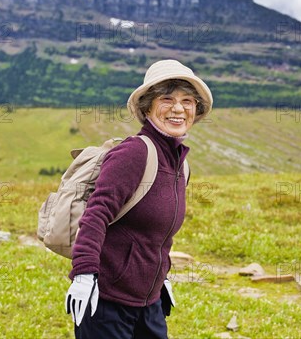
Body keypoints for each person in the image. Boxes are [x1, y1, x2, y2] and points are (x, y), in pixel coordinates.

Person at [65, 59, 213, 338]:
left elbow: (157, 233)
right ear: (147, 107)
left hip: (150, 302)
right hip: (107, 301)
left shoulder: (180, 165)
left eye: (187, 100)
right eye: (166, 99)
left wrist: (160, 277)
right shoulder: (134, 153)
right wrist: (84, 274)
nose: (178, 108)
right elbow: (96, 214)